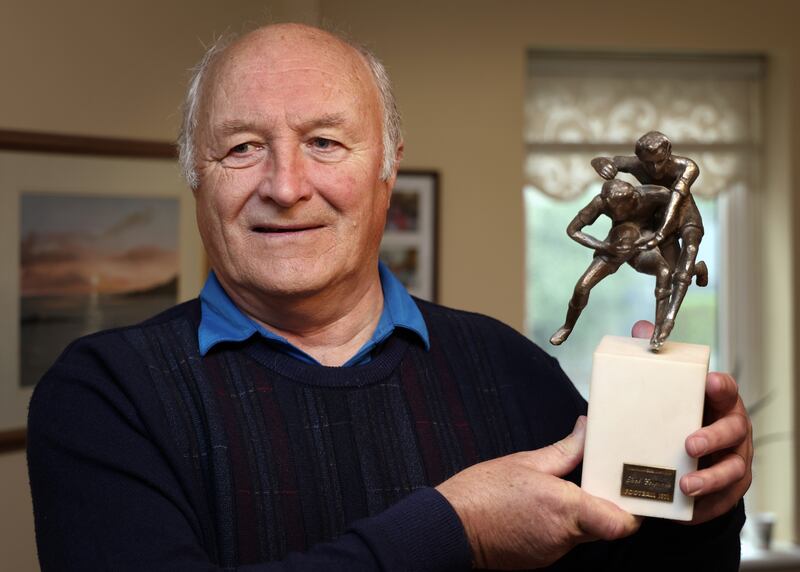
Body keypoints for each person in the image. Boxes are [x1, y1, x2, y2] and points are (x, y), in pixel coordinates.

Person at [27, 24, 752, 571]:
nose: (284, 186)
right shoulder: (103, 396)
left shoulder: (509, 366)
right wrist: (454, 529)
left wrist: (704, 510)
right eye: (241, 147)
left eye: (325, 143)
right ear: (195, 173)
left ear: (388, 166)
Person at [549, 180, 707, 349]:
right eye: (611, 208)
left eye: (620, 207)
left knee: (666, 272)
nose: (615, 212)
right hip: (615, 245)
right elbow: (573, 230)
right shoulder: (601, 202)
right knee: (582, 287)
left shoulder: (653, 195)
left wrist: (664, 233)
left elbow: (680, 205)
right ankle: (567, 326)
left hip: (642, 242)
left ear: (632, 199)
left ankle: (659, 329)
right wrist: (604, 246)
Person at [592, 131, 706, 347]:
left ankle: (667, 323)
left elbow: (675, 200)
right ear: (640, 159)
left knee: (686, 258)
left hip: (685, 214)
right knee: (673, 272)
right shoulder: (636, 164)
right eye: (648, 163)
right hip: (660, 217)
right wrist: (599, 163)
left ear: (669, 152)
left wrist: (662, 233)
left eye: (660, 162)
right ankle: (697, 269)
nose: (655, 169)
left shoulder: (687, 167)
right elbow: (610, 161)